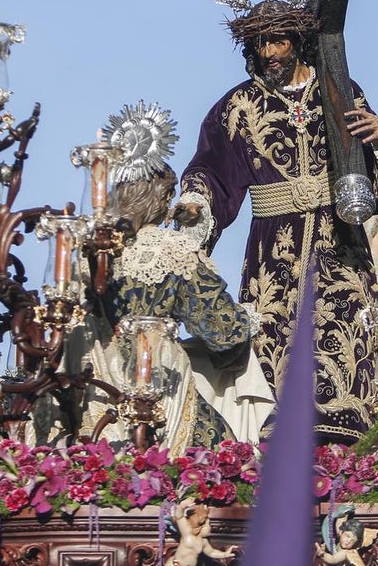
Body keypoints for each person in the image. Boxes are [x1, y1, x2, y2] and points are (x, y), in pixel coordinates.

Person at [174, 0, 378, 443]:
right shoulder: (237, 106)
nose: (270, 53)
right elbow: (212, 170)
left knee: (344, 336)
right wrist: (195, 202)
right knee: (273, 341)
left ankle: (352, 446)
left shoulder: (340, 89)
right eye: (261, 44)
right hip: (272, 247)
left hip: (339, 241)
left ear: (298, 41)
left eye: (278, 40)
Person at [78, 103, 273, 452]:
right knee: (221, 462)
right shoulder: (172, 251)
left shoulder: (83, 252)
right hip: (159, 388)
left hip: (90, 388)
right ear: (160, 199)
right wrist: (247, 327)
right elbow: (225, 333)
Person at [170, 502, 238, 566]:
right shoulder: (187, 533)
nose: (211, 528)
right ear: (201, 525)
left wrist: (225, 554)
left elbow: (211, 552)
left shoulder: (203, 542)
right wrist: (181, 506)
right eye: (209, 525)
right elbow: (179, 517)